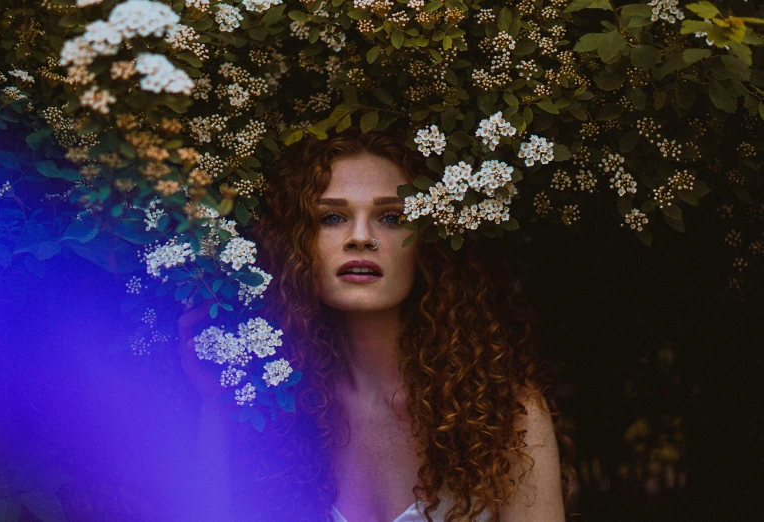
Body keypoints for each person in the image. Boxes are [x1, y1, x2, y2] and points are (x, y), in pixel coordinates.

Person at [179, 129, 574, 522]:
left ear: (428, 243)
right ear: (295, 242)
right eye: (332, 217)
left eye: (390, 217)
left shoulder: (504, 411)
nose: (361, 238)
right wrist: (218, 408)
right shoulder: (274, 413)